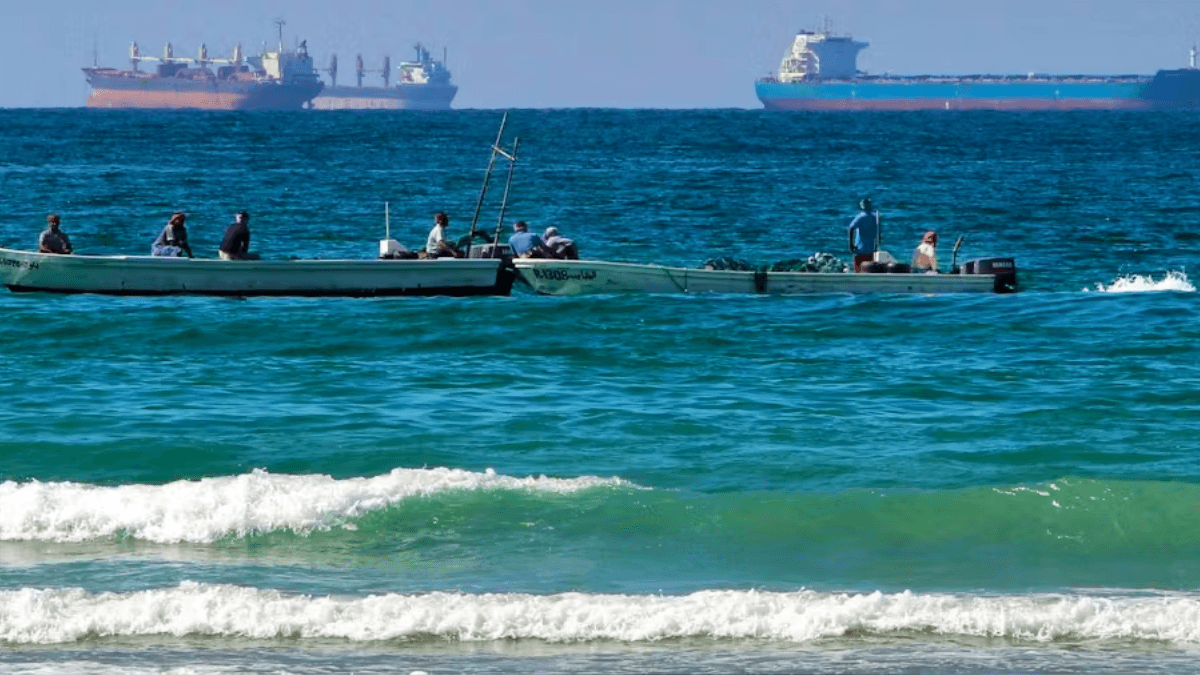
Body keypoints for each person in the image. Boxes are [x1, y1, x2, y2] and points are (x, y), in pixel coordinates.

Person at [847, 198, 879, 273]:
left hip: (860, 248)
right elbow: (878, 233)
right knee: (869, 270)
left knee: (858, 270)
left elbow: (851, 228)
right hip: (871, 249)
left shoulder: (860, 217)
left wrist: (851, 244)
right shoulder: (875, 217)